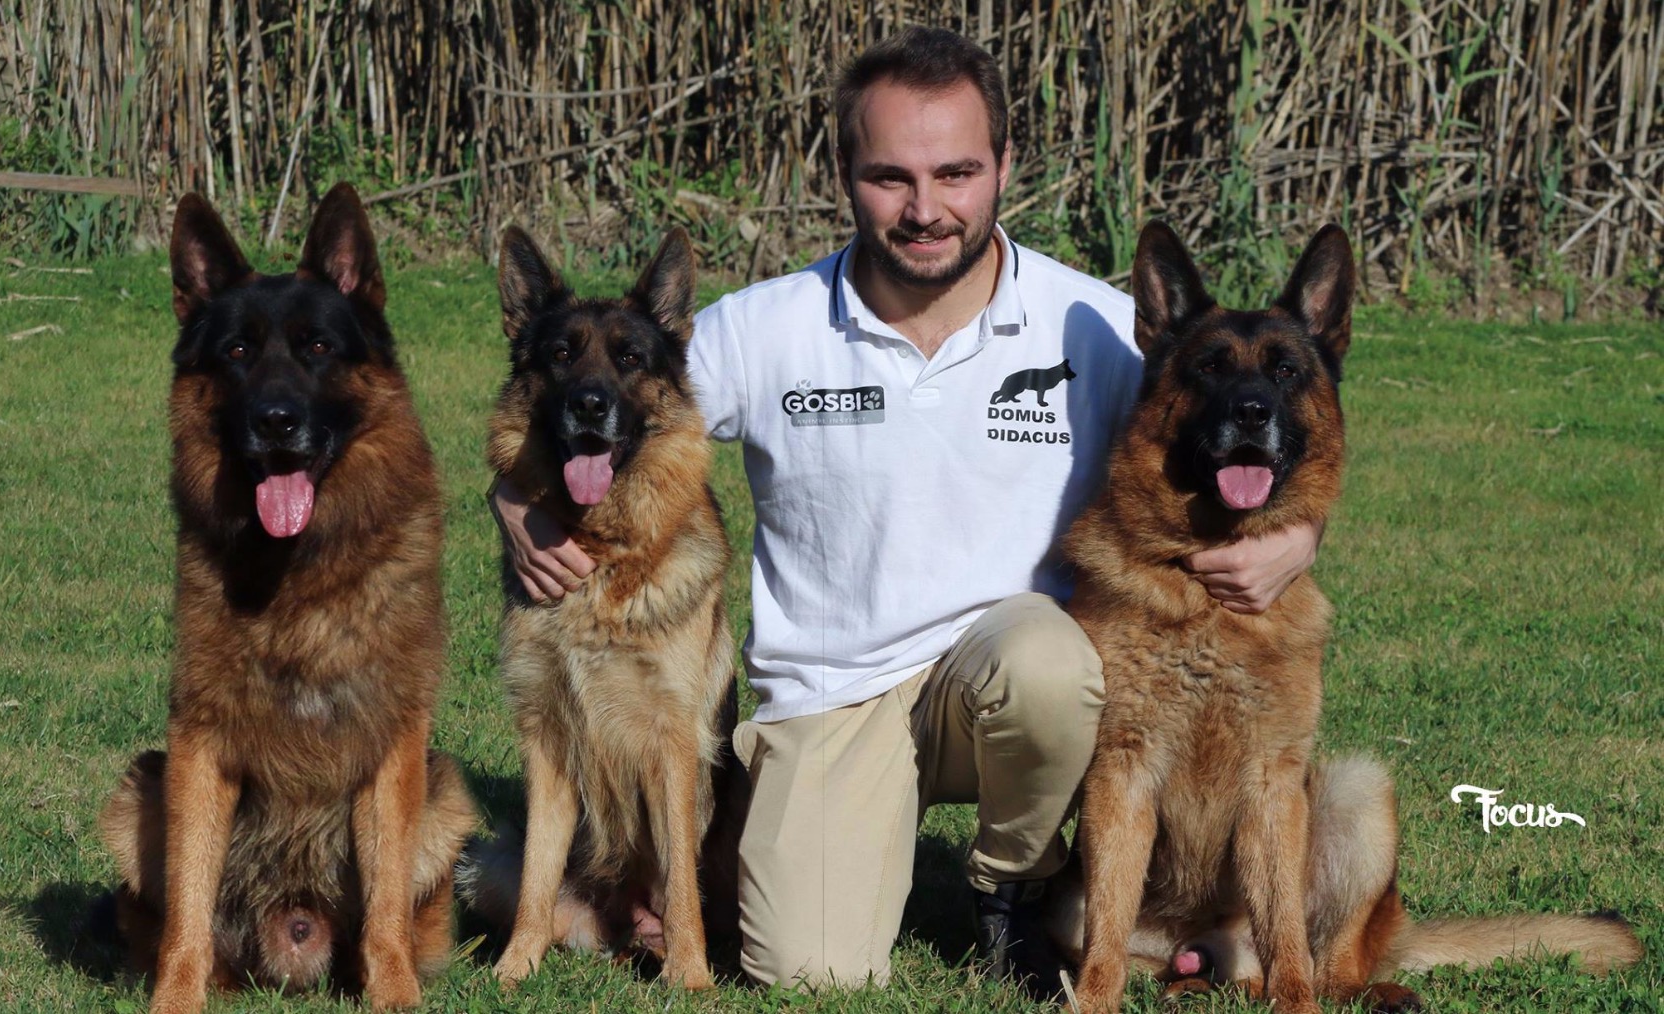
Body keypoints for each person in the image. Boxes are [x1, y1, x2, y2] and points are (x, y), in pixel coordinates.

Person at [490, 26, 1321, 999]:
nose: (925, 209)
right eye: (890, 176)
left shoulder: (1085, 322)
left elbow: (1228, 437)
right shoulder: (762, 329)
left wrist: (1296, 538)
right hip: (831, 696)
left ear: (1003, 166)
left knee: (1050, 665)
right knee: (807, 969)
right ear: (843, 171)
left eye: (956, 172)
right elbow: (607, 414)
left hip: (1002, 673)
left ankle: (1012, 886)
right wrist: (515, 498)